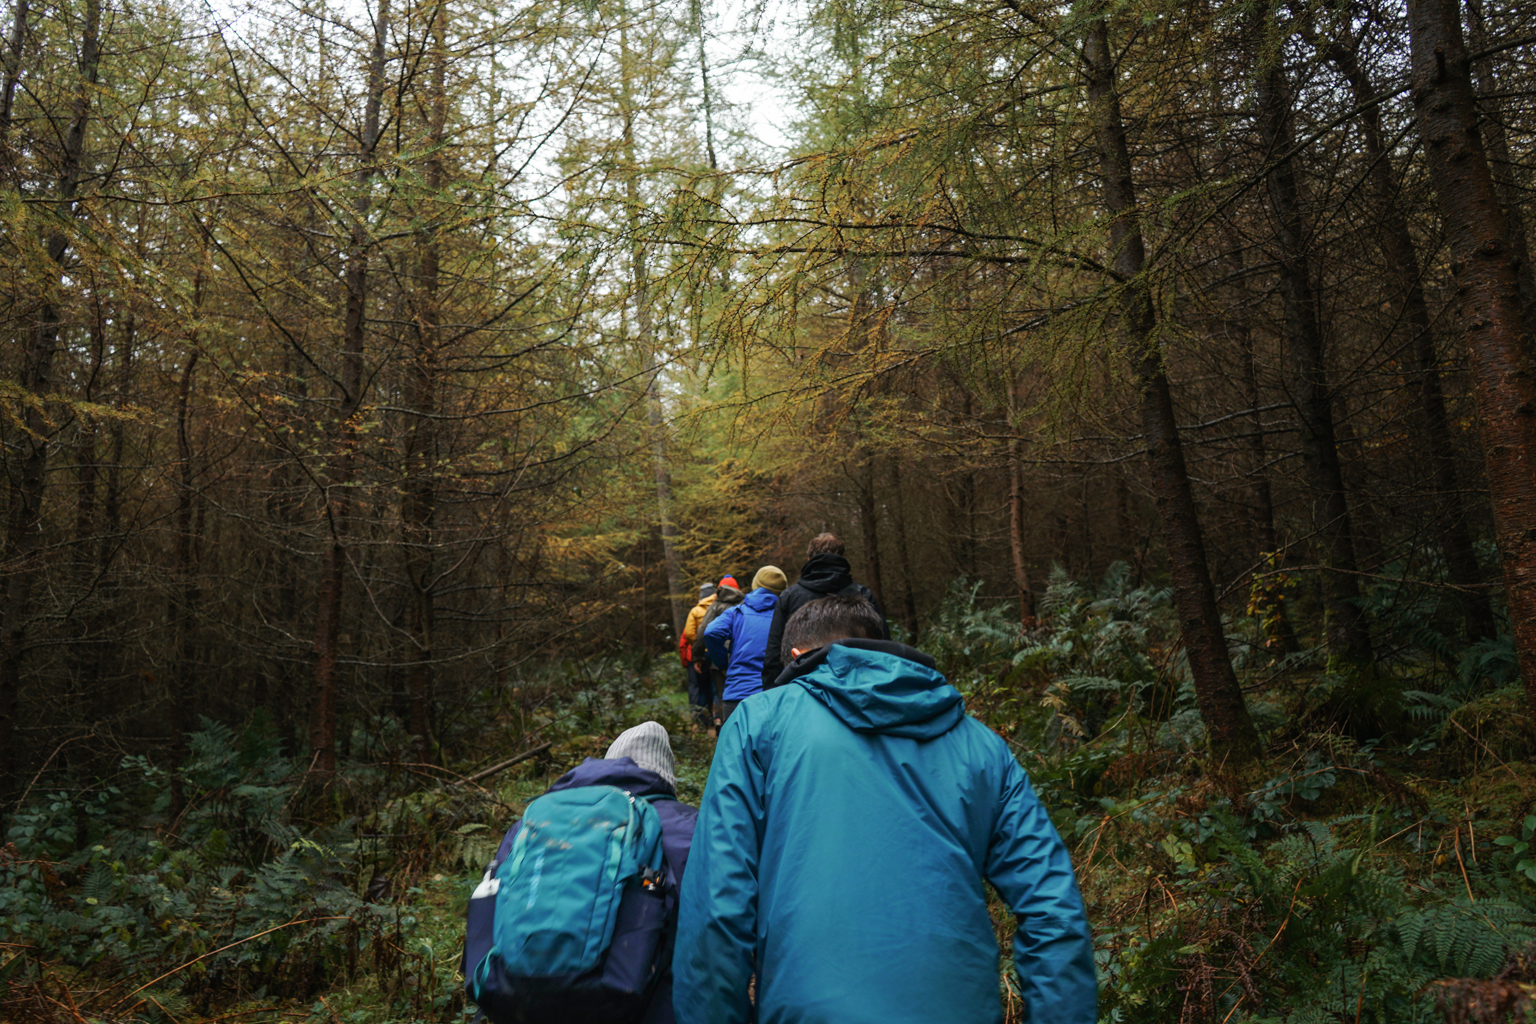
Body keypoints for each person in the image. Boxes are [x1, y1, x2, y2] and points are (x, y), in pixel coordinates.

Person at [674, 596, 1096, 1024]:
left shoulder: (757, 724)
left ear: (798, 658)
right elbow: (1053, 909)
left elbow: (716, 910)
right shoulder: (982, 747)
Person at [473, 721, 697, 1024]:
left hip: (521, 999)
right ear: (666, 778)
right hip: (638, 1002)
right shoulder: (688, 826)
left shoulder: (532, 824)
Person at [759, 532, 889, 689]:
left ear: (808, 560)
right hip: (856, 687)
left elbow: (774, 654)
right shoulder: (863, 595)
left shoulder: (790, 597)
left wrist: (772, 696)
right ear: (842, 558)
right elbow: (884, 647)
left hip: (803, 687)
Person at [701, 565, 786, 723]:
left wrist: (722, 664)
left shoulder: (737, 612)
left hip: (737, 694)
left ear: (755, 585)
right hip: (773, 695)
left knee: (734, 746)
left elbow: (711, 632)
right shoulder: (786, 618)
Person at [692, 575, 742, 727]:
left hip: (718, 661)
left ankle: (723, 733)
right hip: (740, 657)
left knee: (722, 697)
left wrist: (698, 656)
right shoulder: (745, 605)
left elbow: (703, 632)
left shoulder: (715, 606)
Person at [681, 582, 718, 728]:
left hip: (701, 655)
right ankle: (718, 717)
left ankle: (704, 721)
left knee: (703, 688)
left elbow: (689, 633)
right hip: (716, 653)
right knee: (717, 687)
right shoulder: (718, 608)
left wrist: (699, 646)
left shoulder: (695, 611)